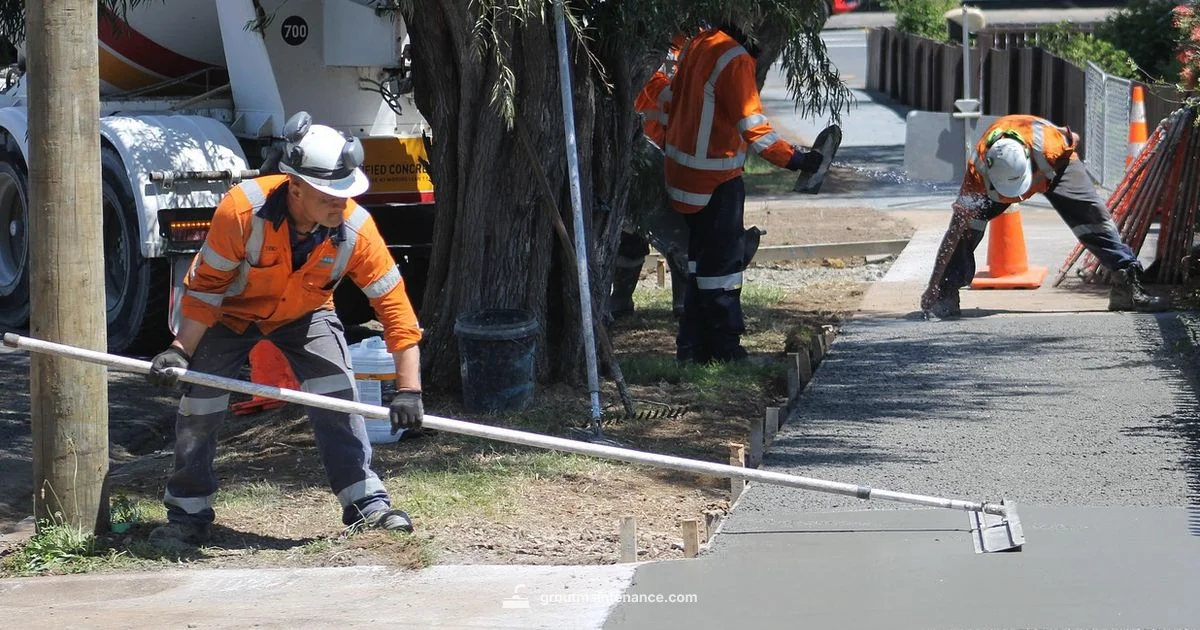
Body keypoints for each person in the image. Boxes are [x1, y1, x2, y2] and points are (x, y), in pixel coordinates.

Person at [144, 111, 425, 549]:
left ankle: (365, 503)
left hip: (305, 314)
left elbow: (396, 311)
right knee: (201, 405)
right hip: (229, 315)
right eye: (330, 194)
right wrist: (180, 350)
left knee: (338, 394)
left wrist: (409, 390)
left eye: (347, 193)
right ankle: (188, 513)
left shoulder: (356, 229)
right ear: (295, 186)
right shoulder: (240, 211)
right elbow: (206, 290)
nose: (341, 203)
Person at [648, 22, 826, 363]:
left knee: (700, 266)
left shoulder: (700, 41)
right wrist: (798, 159)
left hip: (683, 177)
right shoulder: (734, 59)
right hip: (715, 179)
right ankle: (725, 350)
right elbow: (755, 130)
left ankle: (691, 348)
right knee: (722, 272)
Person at [921, 114, 1168, 317]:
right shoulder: (977, 175)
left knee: (1093, 218)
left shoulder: (1050, 145)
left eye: (1020, 190)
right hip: (1024, 173)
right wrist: (933, 285)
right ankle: (945, 293)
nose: (1018, 199)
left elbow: (1075, 137)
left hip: (1056, 168)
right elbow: (953, 230)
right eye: (1011, 193)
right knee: (965, 229)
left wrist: (1042, 178)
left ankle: (1126, 284)